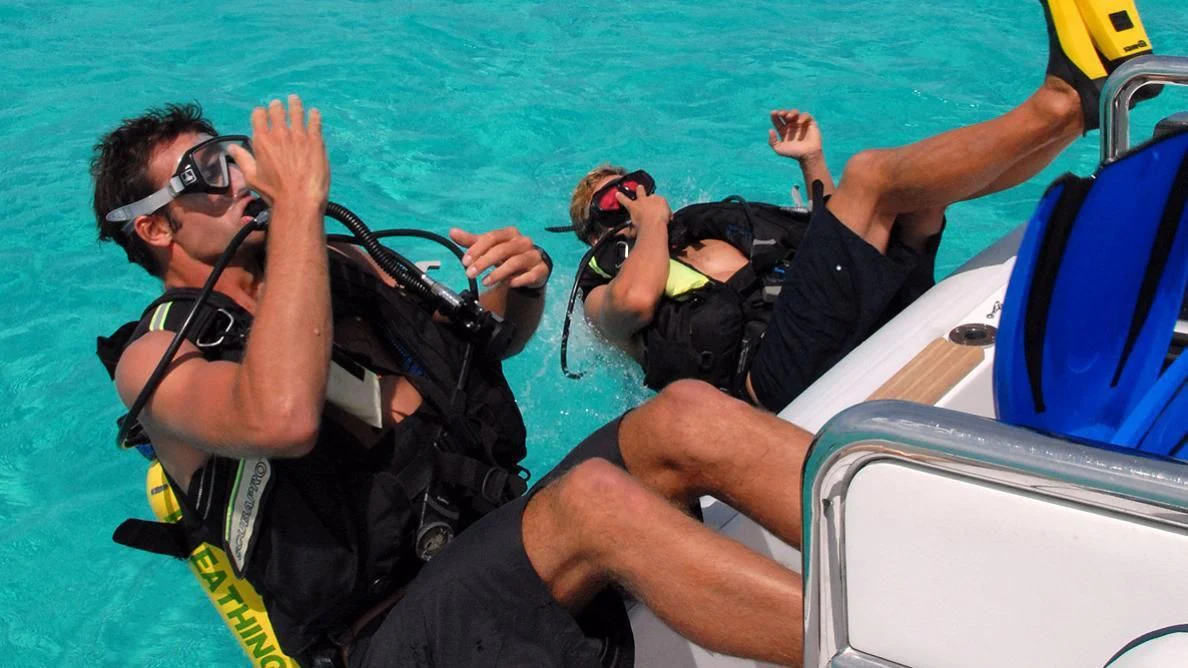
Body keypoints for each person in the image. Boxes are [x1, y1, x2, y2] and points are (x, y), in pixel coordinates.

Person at [93, 97, 818, 667]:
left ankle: (873, 545)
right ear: (155, 230)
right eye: (207, 173)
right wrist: (302, 211)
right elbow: (281, 417)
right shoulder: (156, 360)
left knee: (686, 411)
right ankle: (861, 648)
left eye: (234, 156)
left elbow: (487, 346)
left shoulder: (345, 266)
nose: (242, 178)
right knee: (594, 500)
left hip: (494, 540)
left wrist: (521, 289)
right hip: (388, 633)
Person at [567, 0, 1158, 412]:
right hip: (769, 384)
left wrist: (811, 162)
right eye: (610, 202)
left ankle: (1081, 113)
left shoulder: (700, 230)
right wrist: (649, 223)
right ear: (592, 232)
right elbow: (634, 304)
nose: (631, 200)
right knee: (871, 175)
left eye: (635, 185)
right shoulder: (602, 288)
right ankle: (1063, 101)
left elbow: (826, 242)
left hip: (831, 333)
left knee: (918, 202)